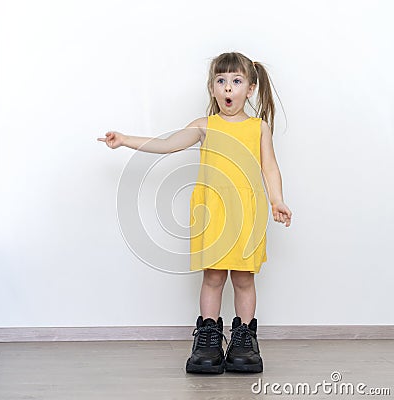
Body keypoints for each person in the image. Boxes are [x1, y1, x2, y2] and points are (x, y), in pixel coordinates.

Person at [97, 52, 292, 374]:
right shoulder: (204, 126)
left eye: (236, 81)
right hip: (212, 212)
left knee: (244, 278)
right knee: (213, 276)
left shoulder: (259, 128)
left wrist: (277, 200)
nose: (228, 87)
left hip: (247, 213)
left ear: (251, 88)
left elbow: (270, 167)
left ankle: (244, 339)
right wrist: (125, 140)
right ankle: (209, 339)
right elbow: (167, 144)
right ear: (213, 89)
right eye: (221, 81)